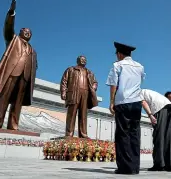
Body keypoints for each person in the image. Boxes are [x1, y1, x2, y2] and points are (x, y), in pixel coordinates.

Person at [0, 0, 37, 130]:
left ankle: (13, 125)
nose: (28, 33)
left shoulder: (32, 50)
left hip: (25, 77)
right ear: (20, 32)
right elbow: (8, 28)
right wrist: (11, 13)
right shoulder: (13, 40)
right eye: (25, 31)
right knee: (4, 97)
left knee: (18, 102)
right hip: (12, 72)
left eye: (30, 33)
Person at [106, 42, 145, 174]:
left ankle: (125, 168)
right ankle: (134, 167)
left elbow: (113, 84)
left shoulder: (117, 65)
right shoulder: (140, 66)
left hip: (123, 102)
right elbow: (140, 81)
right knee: (134, 134)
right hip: (137, 103)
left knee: (122, 134)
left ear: (120, 54)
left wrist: (111, 102)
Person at [60, 56, 98, 138]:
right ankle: (69, 133)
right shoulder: (71, 69)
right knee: (72, 113)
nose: (84, 61)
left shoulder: (89, 72)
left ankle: (83, 133)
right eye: (82, 59)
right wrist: (63, 92)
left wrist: (94, 87)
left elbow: (95, 82)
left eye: (85, 60)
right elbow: (64, 81)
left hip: (85, 93)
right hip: (74, 92)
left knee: (83, 114)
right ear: (77, 61)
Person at [140, 89, 171, 171]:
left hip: (159, 108)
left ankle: (159, 164)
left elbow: (143, 102)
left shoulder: (137, 92)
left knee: (159, 136)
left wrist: (150, 115)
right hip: (168, 106)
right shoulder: (147, 91)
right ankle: (168, 164)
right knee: (167, 137)